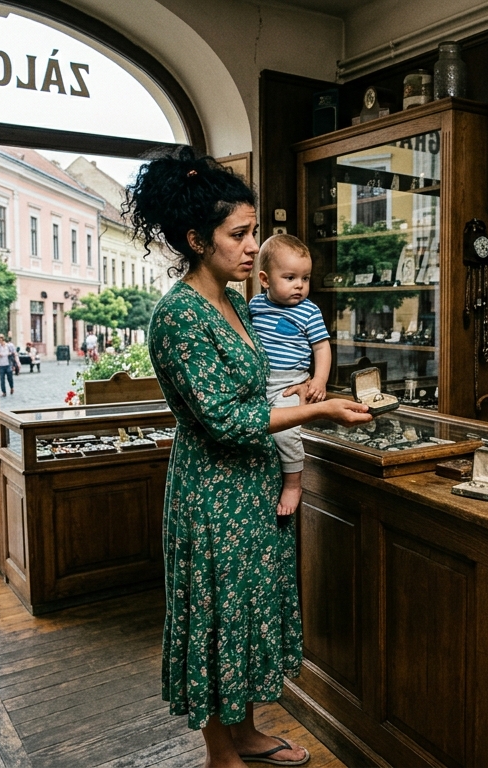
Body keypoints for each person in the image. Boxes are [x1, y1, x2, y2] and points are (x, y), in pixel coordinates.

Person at [128, 149, 371, 768]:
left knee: (246, 611)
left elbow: (259, 388)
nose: (251, 247)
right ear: (195, 240)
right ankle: (221, 753)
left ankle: (245, 732)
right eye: (238, 234)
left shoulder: (232, 304)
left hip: (252, 490)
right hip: (212, 494)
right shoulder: (178, 314)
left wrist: (304, 390)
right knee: (217, 615)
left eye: (253, 231)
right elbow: (226, 419)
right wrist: (317, 410)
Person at [248, 234, 332, 517]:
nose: (299, 285)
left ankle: (294, 483)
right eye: (290, 277)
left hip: (288, 384)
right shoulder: (254, 306)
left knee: (286, 434)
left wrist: (318, 380)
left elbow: (321, 348)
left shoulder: (309, 311)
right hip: (259, 384)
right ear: (265, 279)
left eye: (305, 278)